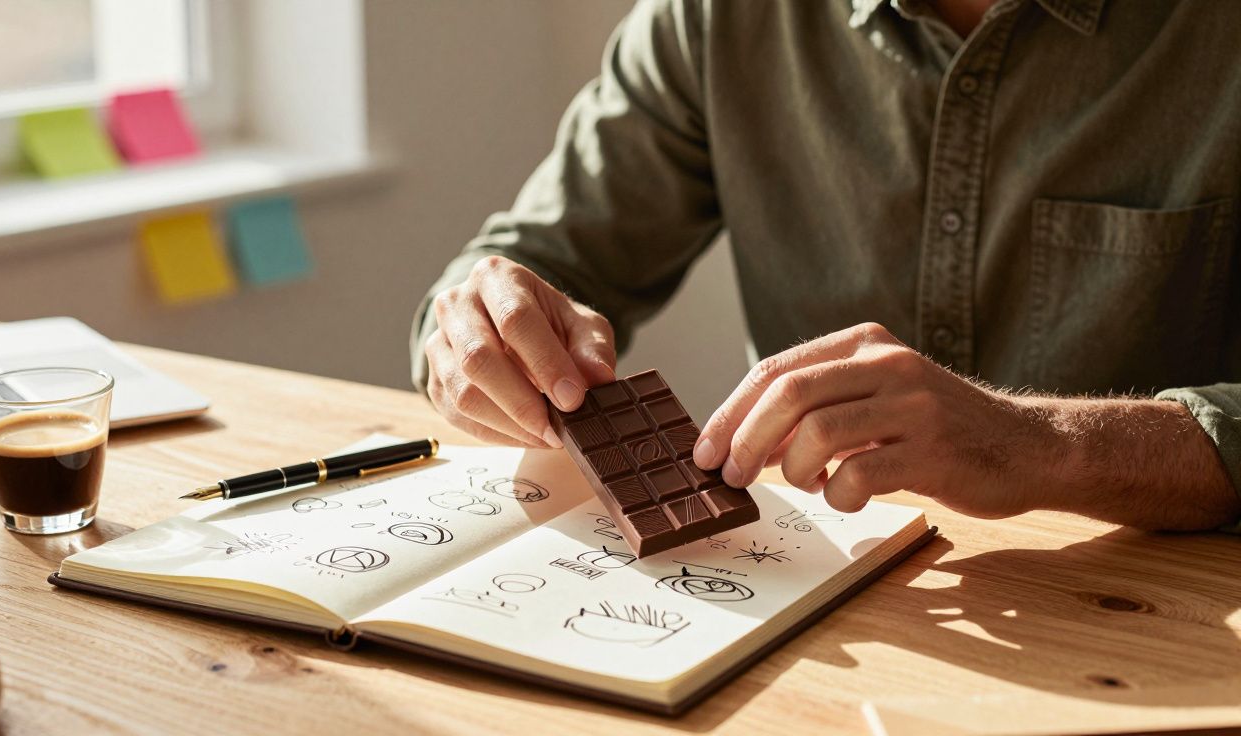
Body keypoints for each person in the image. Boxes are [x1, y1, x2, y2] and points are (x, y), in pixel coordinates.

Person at [410, 0, 1241, 530]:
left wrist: (1046, 444)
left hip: (1165, 629)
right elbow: (535, 258)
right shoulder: (712, 19)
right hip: (807, 607)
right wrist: (478, 327)